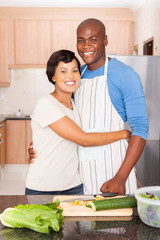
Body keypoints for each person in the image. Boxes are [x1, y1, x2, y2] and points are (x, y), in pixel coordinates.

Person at [28, 18, 149, 195]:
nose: (86, 46)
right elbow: (68, 123)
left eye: (93, 39)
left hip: (113, 168)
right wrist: (37, 146)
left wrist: (121, 177)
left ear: (105, 40)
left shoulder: (125, 74)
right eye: (81, 40)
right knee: (82, 221)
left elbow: (141, 128)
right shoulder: (77, 76)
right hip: (79, 177)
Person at [25, 49, 131, 195]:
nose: (70, 76)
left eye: (75, 70)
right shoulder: (46, 104)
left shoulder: (75, 104)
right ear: (53, 77)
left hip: (73, 186)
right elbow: (84, 139)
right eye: (63, 71)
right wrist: (124, 133)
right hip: (43, 188)